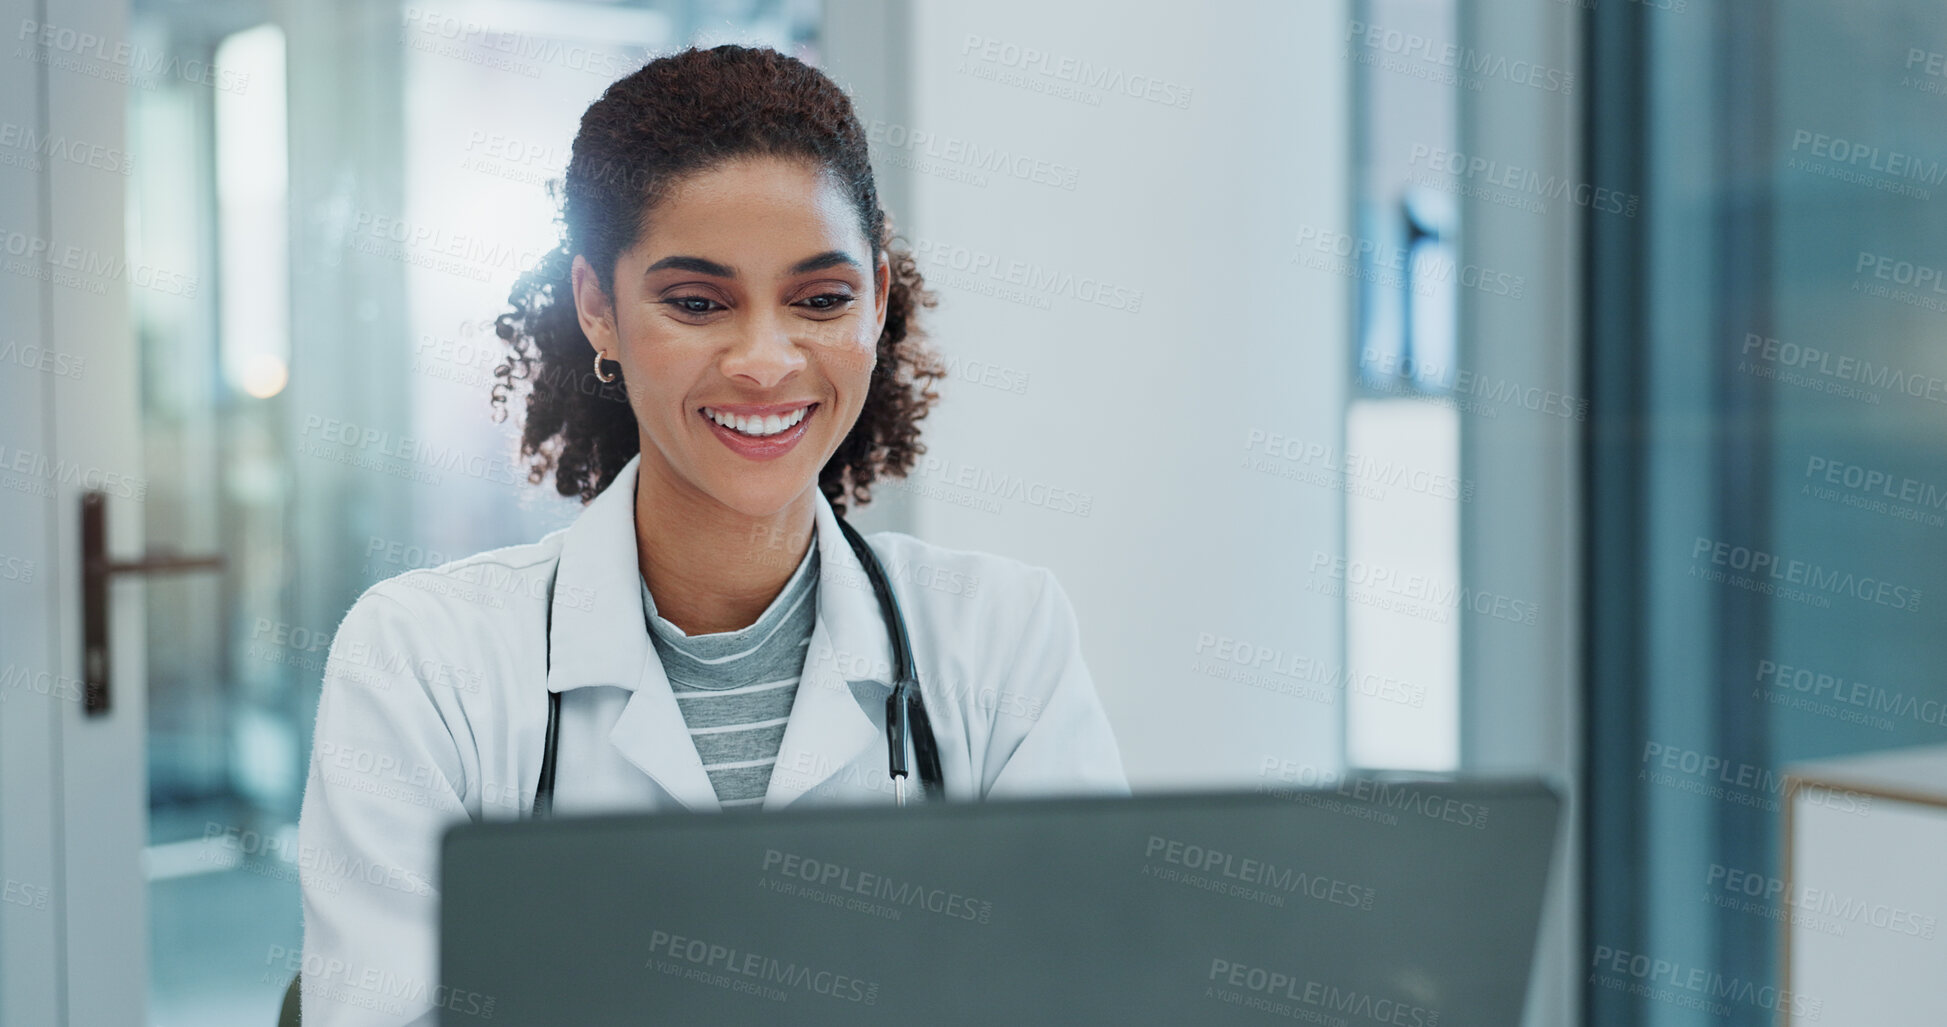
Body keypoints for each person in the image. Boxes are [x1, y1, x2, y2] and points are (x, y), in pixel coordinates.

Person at [295, 44, 1127, 1026]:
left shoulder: (1003, 638)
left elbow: (1096, 989)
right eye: (697, 303)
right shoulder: (423, 663)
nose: (765, 361)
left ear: (878, 302)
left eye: (821, 299)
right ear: (598, 308)